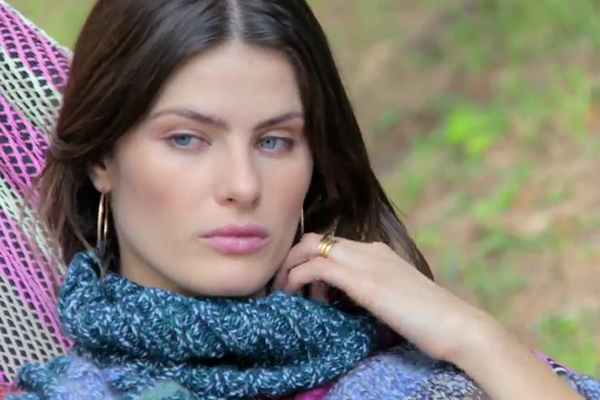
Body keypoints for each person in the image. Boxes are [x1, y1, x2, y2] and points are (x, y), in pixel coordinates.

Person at [0, 0, 599, 399]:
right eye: (187, 138)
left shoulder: (420, 367)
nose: (243, 185)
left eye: (275, 141)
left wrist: (471, 335)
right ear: (102, 160)